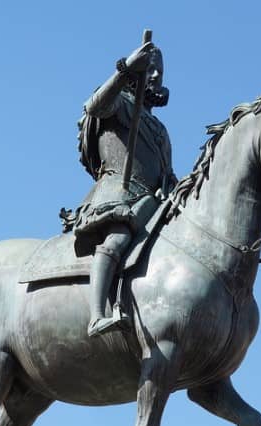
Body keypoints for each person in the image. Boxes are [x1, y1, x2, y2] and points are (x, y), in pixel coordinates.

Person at [63, 37, 176, 337]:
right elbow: (94, 107)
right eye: (149, 70)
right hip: (117, 193)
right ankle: (97, 314)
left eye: (159, 73)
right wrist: (125, 69)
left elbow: (166, 173)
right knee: (117, 238)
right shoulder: (119, 103)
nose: (154, 76)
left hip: (151, 203)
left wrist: (170, 187)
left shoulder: (161, 131)